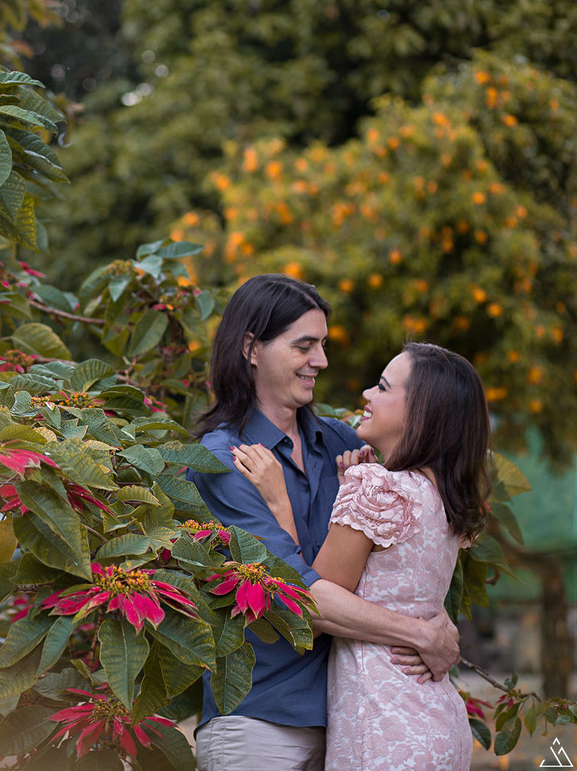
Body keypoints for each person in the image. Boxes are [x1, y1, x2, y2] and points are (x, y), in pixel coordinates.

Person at [186, 274, 460, 771]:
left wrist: (436, 617)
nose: (322, 361)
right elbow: (294, 594)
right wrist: (420, 633)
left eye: (324, 345)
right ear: (252, 347)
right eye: (304, 345)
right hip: (262, 723)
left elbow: (402, 555)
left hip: (354, 722)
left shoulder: (342, 444)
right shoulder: (223, 460)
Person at [231, 343, 488, 770]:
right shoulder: (441, 499)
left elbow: (307, 601)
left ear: (422, 412)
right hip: (437, 722)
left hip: (383, 728)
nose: (367, 394)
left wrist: (280, 505)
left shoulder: (376, 488)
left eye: (383, 387)